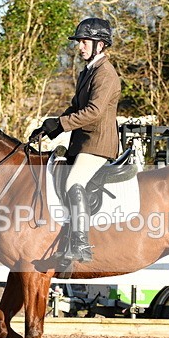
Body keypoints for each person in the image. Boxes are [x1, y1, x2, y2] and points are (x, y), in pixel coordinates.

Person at [30, 17, 121, 264]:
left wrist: (61, 124)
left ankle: (81, 245)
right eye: (79, 42)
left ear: (100, 44)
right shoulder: (87, 72)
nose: (79, 47)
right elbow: (75, 107)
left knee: (74, 181)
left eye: (84, 42)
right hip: (82, 143)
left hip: (98, 143)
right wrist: (50, 128)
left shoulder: (105, 74)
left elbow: (94, 112)